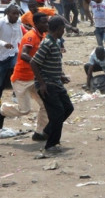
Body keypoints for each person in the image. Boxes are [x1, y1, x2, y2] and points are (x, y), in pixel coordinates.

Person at [0, 12, 50, 141]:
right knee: (24, 110)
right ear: (36, 24)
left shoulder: (43, 36)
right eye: (44, 22)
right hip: (21, 78)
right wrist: (36, 62)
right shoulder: (31, 36)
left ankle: (39, 132)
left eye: (47, 21)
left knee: (45, 105)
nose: (47, 24)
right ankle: (3, 110)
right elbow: (24, 54)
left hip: (34, 78)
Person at [29, 16, 73, 154]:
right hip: (47, 85)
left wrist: (61, 76)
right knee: (58, 112)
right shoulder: (47, 43)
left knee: (68, 108)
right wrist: (42, 84)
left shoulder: (56, 42)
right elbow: (34, 63)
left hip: (56, 83)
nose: (64, 31)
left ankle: (47, 131)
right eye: (63, 28)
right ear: (59, 29)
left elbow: (51, 62)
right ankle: (51, 144)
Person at [0, 4, 23, 117]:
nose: (16, 16)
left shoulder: (18, 22)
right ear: (8, 13)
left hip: (14, 53)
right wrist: (3, 44)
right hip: (1, 57)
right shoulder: (0, 22)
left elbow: (20, 37)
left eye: (17, 14)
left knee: (17, 72)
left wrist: (22, 48)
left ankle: (15, 95)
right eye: (14, 13)